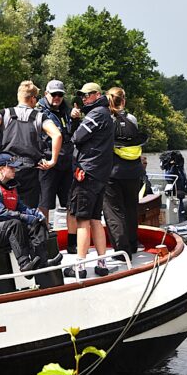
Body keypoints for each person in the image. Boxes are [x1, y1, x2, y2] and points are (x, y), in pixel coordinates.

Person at [0, 153, 62, 275]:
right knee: (15, 224)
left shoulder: (10, 186)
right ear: (1, 170)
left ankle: (43, 262)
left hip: (0, 230)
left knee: (36, 222)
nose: (15, 170)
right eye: (11, 167)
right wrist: (27, 218)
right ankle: (25, 265)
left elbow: (21, 207)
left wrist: (37, 215)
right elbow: (0, 213)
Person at [0, 81, 62, 208]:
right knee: (28, 208)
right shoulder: (40, 117)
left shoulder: (5, 113)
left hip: (5, 168)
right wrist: (52, 161)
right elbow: (57, 135)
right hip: (29, 170)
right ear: (33, 98)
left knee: (4, 205)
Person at [64, 82, 114, 279]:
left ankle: (80, 266)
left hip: (88, 173)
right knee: (95, 219)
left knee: (82, 219)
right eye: (82, 96)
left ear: (97, 94)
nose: (84, 99)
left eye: (87, 95)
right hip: (101, 173)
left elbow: (76, 137)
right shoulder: (106, 113)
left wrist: (75, 120)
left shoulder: (96, 114)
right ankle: (102, 263)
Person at [102, 87, 148, 261]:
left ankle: (122, 251)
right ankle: (133, 244)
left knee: (114, 212)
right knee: (130, 209)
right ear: (124, 101)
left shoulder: (106, 119)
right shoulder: (132, 119)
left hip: (113, 172)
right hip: (134, 171)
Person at [35, 80, 80, 223]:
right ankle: (43, 236)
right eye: (54, 94)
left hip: (66, 163)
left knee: (70, 203)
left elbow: (74, 134)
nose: (57, 98)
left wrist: (75, 120)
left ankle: (72, 242)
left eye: (60, 95)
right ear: (46, 94)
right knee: (44, 203)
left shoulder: (67, 110)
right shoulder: (37, 112)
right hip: (46, 163)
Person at [159, 150, 187, 221]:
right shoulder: (173, 170)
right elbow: (184, 184)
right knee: (178, 215)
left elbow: (185, 184)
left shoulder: (176, 170)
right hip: (174, 198)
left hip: (177, 198)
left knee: (180, 215)